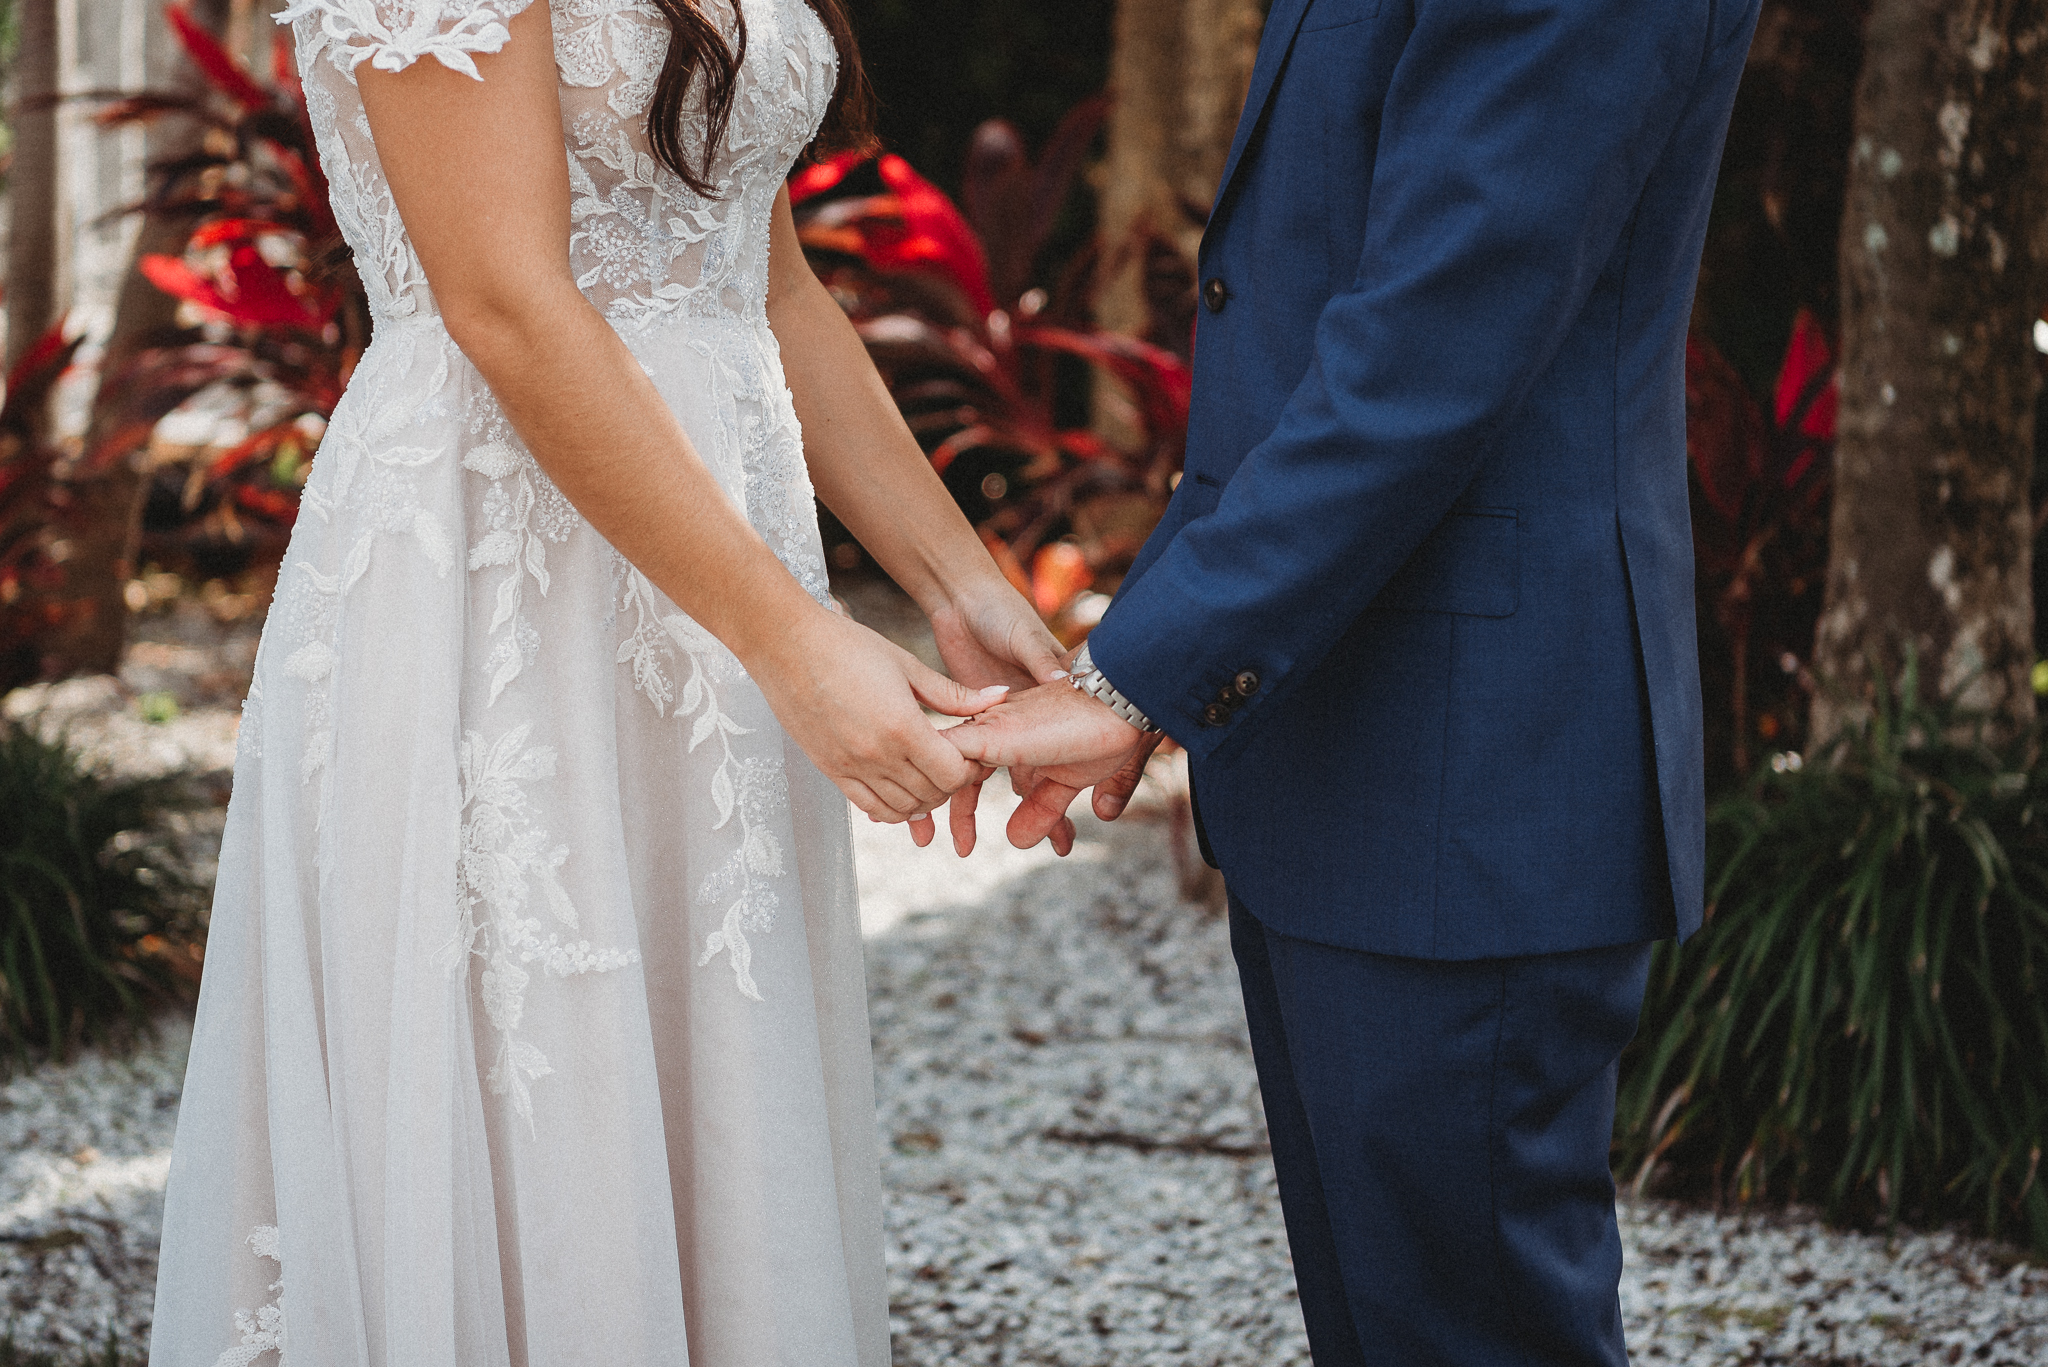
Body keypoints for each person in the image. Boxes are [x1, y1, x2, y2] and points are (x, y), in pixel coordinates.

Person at [147, 1, 1067, 1362]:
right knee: (548, 1083)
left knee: (712, 1079)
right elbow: (504, 302)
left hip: (717, 582)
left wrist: (959, 584)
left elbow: (763, 287)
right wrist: (792, 639)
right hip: (500, 576)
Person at [948, 0, 1765, 1363]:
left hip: (1473, 759)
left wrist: (1139, 680)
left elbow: (1430, 346)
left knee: (1471, 1337)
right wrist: (1138, 658)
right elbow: (1299, 323)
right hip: (1364, 736)